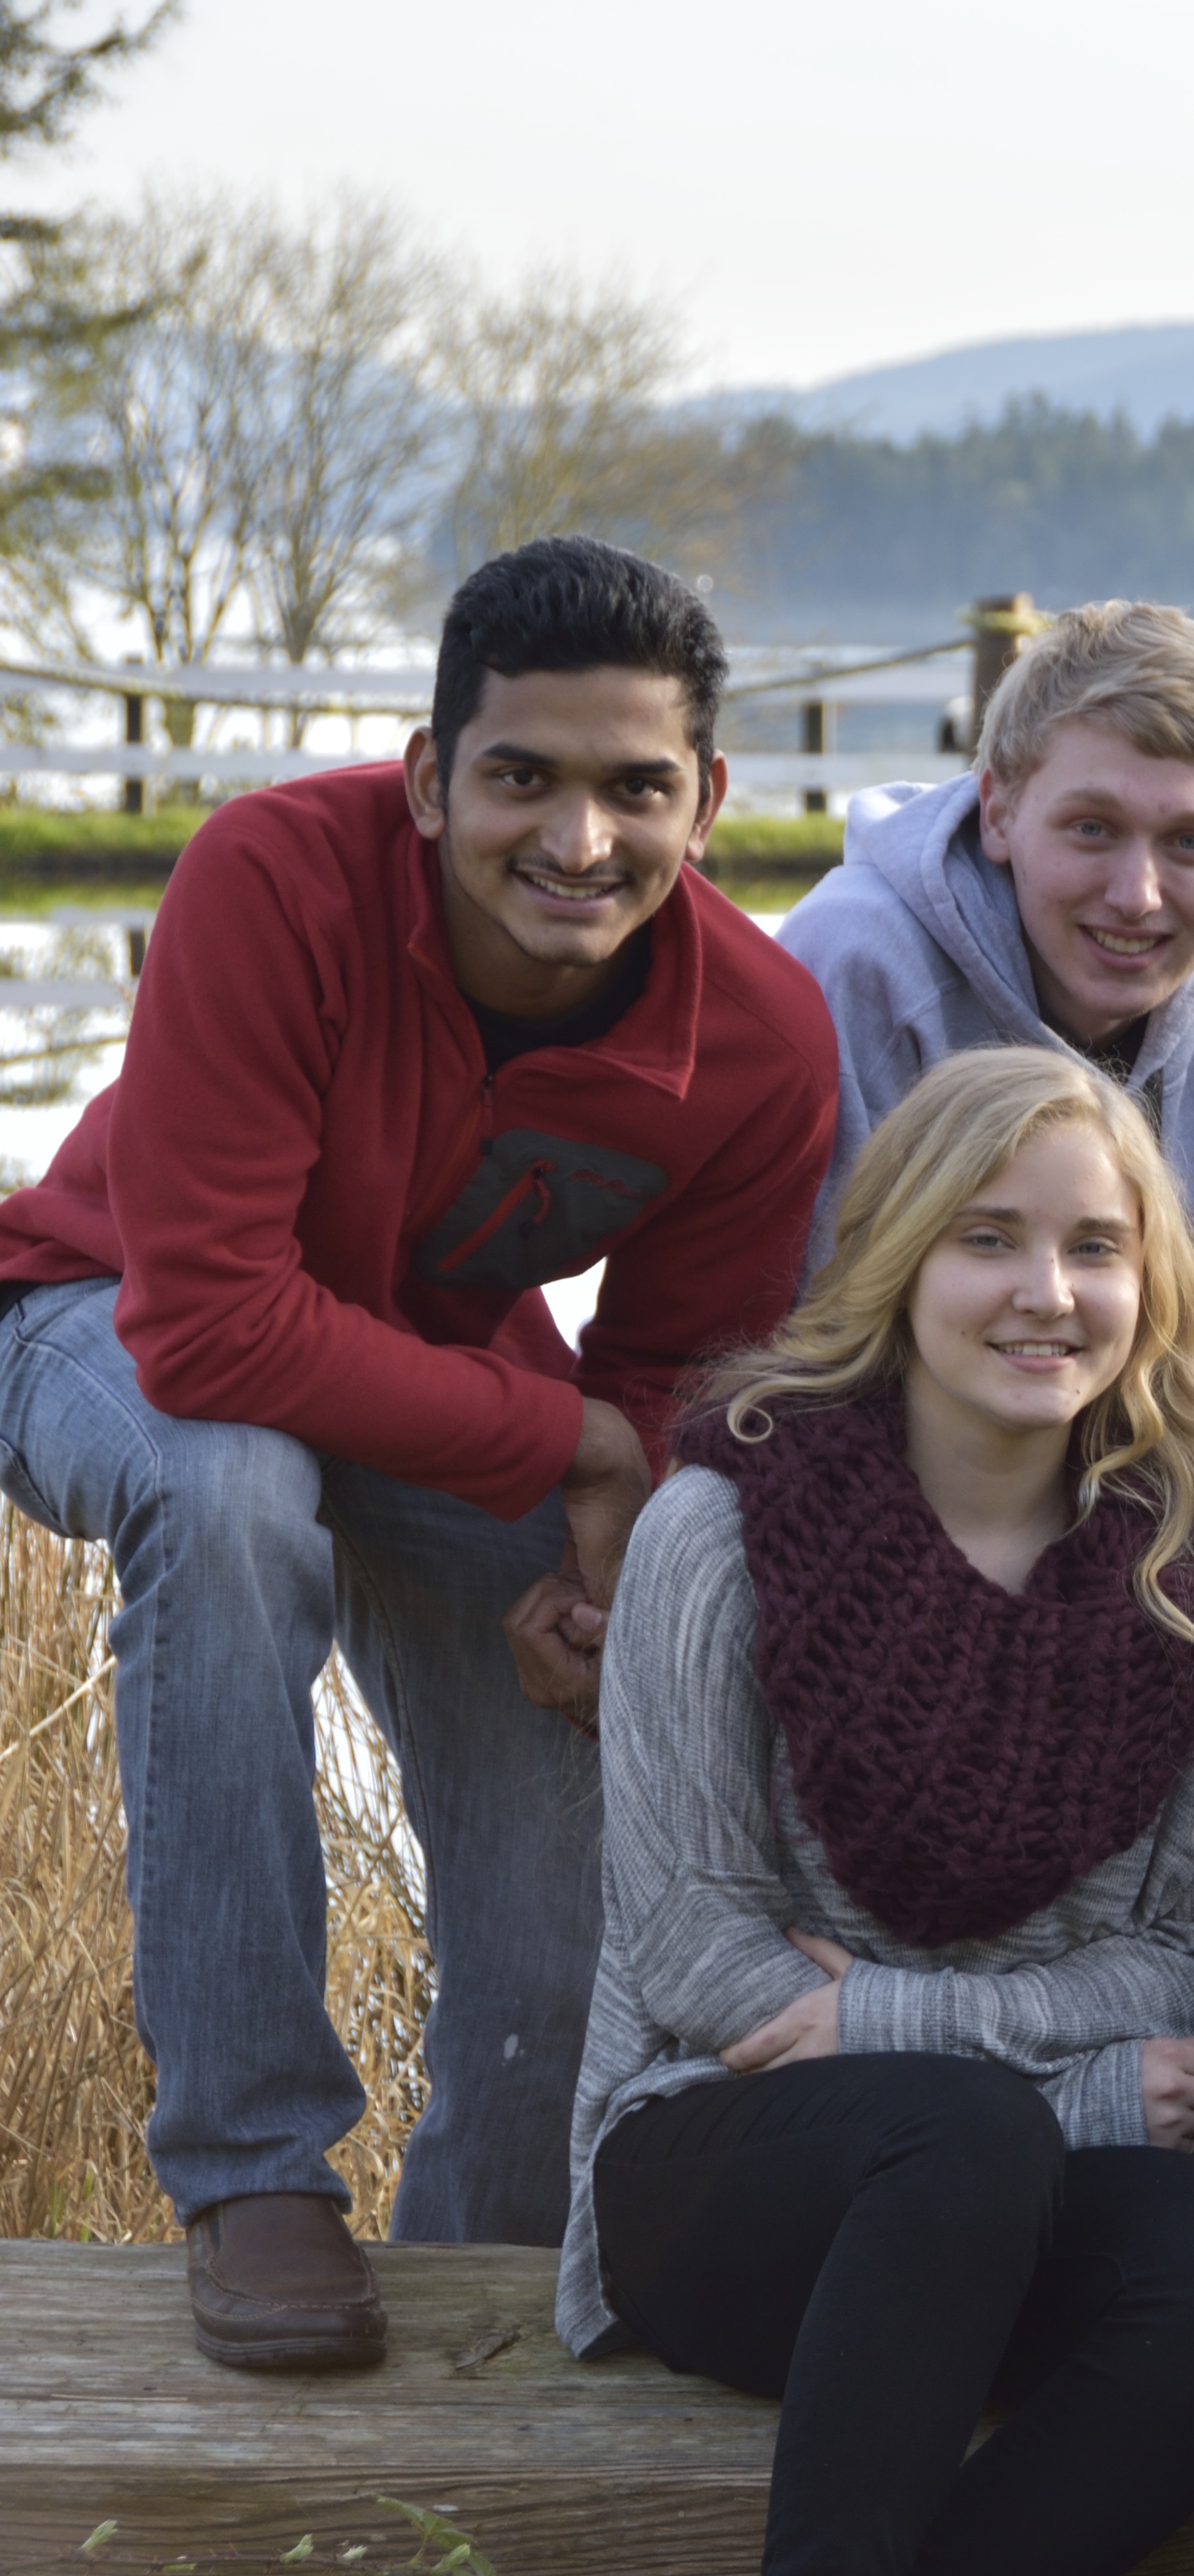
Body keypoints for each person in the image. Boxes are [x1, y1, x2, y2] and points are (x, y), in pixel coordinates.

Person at [0, 538, 836, 2367]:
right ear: (430, 773)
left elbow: (672, 1374)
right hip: (96, 1311)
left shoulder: (762, 1040)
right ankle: (252, 2171)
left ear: (709, 798)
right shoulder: (271, 877)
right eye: (523, 776)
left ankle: (494, 2260)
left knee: (576, 1734)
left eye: (635, 787)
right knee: (227, 1485)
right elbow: (208, 1321)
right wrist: (573, 1442)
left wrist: (599, 1568)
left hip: (430, 1381)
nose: (579, 839)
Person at [559, 1048, 1194, 2576]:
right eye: (989, 1237)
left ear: (1150, 1284)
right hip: (709, 2179)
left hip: (1008, 2195)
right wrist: (1080, 2091)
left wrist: (884, 2017)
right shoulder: (723, 1526)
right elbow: (704, 1964)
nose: (1046, 1289)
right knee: (958, 2138)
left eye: (1096, 1246)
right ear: (898, 1256)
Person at [781, 598, 1194, 1276]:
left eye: (1190, 841)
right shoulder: (858, 974)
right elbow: (809, 1335)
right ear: (999, 812)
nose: (1136, 896)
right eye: (1092, 828)